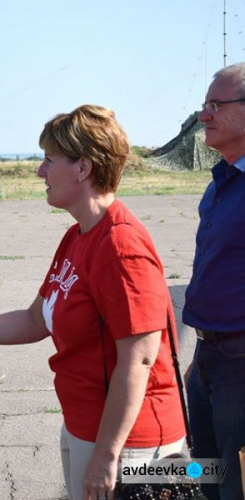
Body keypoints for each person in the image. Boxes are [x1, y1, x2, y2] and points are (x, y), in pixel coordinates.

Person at [0, 105, 186, 500]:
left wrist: (108, 457)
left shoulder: (121, 246)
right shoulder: (79, 236)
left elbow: (139, 360)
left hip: (133, 444)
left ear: (83, 168)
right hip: (85, 427)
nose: (40, 172)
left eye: (48, 160)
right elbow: (35, 319)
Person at [184, 62, 245, 500]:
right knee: (202, 474)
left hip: (240, 368)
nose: (203, 116)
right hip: (208, 359)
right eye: (204, 105)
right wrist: (201, 353)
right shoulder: (220, 181)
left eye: (215, 105)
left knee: (235, 485)